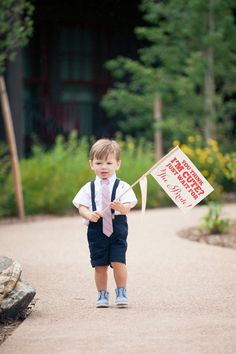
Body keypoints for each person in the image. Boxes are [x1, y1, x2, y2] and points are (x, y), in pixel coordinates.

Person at [72, 139, 137, 308]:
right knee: (99, 265)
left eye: (109, 163)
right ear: (91, 164)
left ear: (118, 164)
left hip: (117, 226)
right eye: (99, 163)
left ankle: (121, 291)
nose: (104, 167)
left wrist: (121, 207)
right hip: (96, 228)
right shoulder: (89, 187)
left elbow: (129, 207)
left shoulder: (123, 186)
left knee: (118, 261)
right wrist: (88, 214)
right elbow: (81, 206)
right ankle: (102, 294)